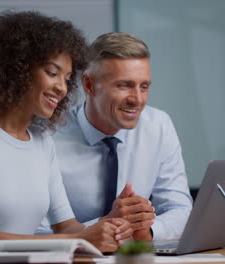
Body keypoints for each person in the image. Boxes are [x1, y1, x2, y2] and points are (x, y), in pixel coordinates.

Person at [0, 11, 133, 252]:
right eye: (52, 73)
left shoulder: (42, 141)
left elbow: (66, 226)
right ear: (17, 69)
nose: (61, 88)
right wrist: (80, 240)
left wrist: (109, 227)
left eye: (67, 79)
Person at [45, 32, 193, 242]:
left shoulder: (158, 125)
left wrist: (147, 230)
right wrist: (104, 226)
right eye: (124, 85)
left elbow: (180, 209)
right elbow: (34, 231)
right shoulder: (48, 137)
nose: (138, 100)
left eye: (144, 87)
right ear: (89, 85)